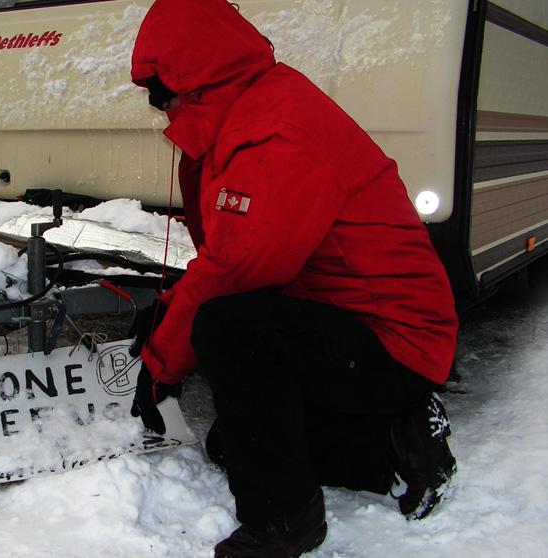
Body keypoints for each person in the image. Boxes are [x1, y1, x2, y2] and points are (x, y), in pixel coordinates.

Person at [126, 1, 459, 556]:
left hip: (394, 338)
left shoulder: (275, 131)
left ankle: (285, 522)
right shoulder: (248, 112)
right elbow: (229, 253)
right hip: (344, 322)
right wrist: (170, 306)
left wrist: (163, 360)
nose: (163, 108)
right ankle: (395, 444)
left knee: (226, 329)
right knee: (235, 444)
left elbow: (237, 271)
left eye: (163, 92)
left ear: (196, 76)